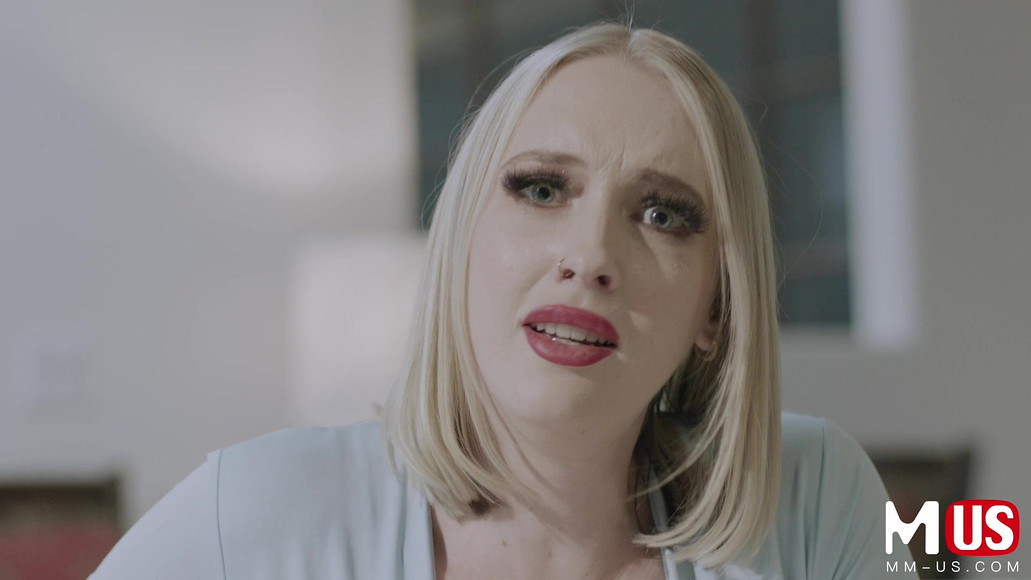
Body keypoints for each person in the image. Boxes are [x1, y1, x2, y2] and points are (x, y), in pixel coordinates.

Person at [91, 23, 916, 579]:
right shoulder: (256, 509)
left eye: (662, 215)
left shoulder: (816, 494)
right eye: (542, 189)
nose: (590, 257)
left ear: (716, 309)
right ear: (461, 242)